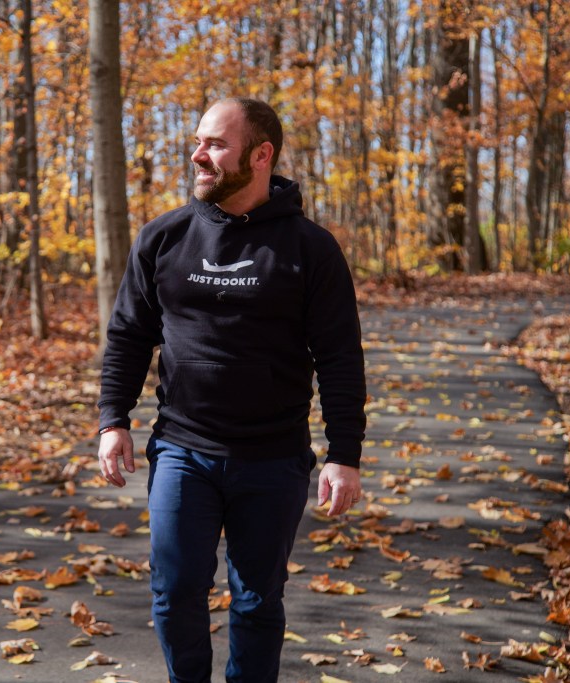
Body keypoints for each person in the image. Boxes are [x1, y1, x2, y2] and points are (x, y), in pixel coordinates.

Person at [96, 98, 367, 683]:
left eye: (216, 144)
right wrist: (113, 418)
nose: (198, 155)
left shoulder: (310, 249)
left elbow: (340, 359)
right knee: (174, 592)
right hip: (182, 450)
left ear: (261, 155)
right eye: (199, 141)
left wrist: (344, 454)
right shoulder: (163, 237)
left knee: (256, 600)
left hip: (273, 458)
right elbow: (128, 336)